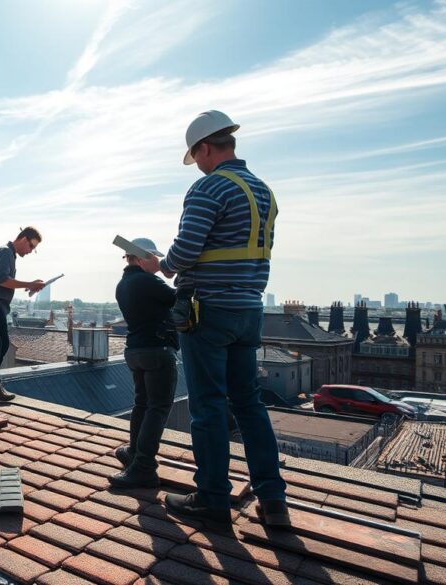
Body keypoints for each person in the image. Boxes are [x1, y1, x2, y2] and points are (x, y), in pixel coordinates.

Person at [140, 110, 290, 527]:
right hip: (248, 310)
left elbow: (186, 252)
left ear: (205, 147)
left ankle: (211, 498)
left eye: (197, 156)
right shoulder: (264, 191)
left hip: (207, 310)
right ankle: (272, 499)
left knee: (207, 406)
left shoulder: (209, 187)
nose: (198, 164)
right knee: (248, 403)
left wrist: (160, 265)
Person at [109, 238, 177, 489]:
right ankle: (144, 466)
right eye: (152, 257)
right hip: (156, 349)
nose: (156, 262)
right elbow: (177, 297)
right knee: (158, 407)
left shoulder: (123, 284)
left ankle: (134, 452)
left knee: (142, 403)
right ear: (139, 257)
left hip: (135, 351)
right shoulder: (147, 281)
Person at [0, 227, 45, 401]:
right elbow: (1, 279)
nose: (30, 251)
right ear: (23, 239)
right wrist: (30, 283)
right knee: (2, 344)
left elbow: (3, 281)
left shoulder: (7, 253)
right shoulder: (6, 253)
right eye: (31, 246)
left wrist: (29, 285)